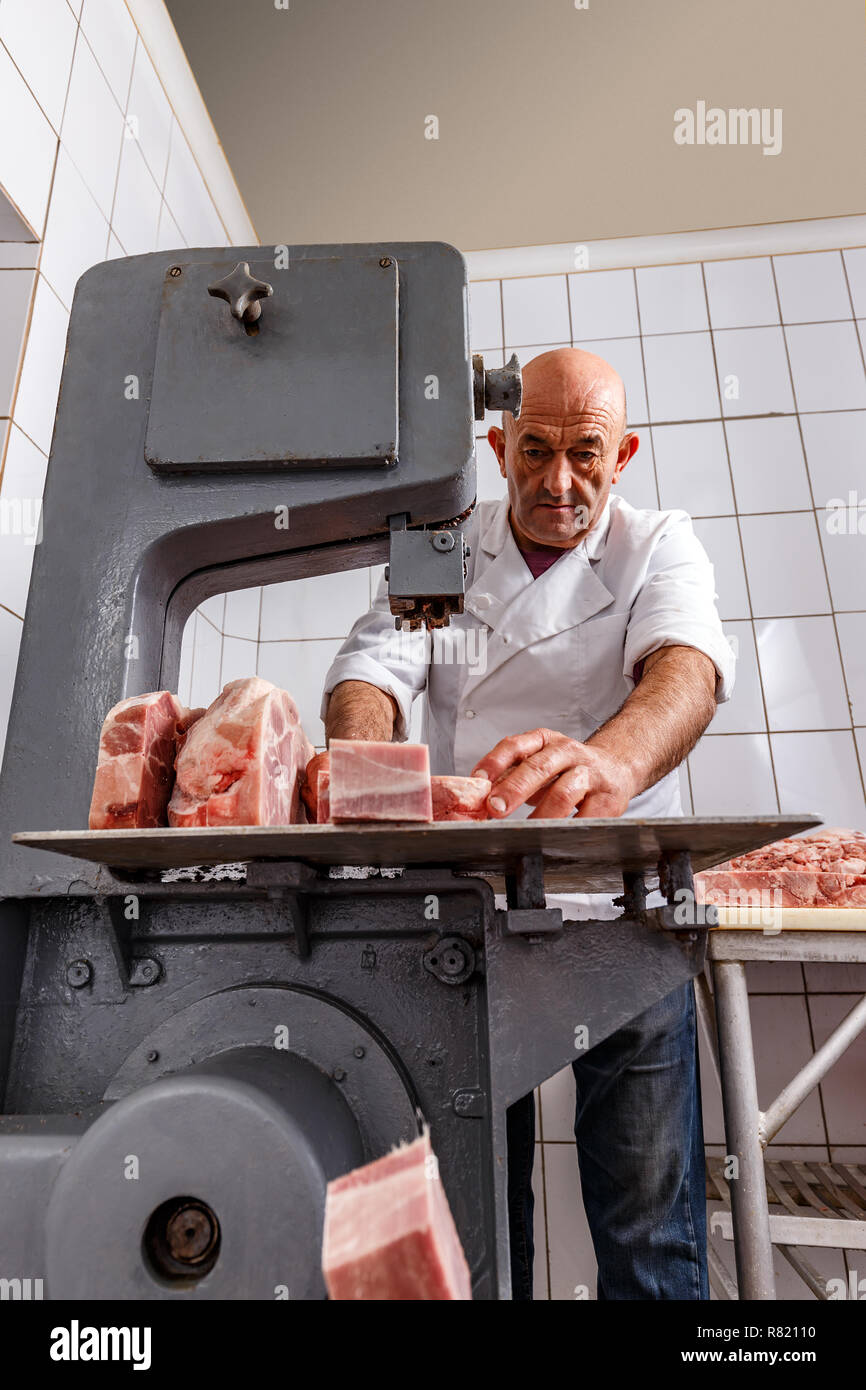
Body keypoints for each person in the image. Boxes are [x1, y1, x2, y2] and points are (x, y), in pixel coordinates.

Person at [305, 347, 736, 1299]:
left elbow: (687, 667)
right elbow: (375, 669)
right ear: (498, 446)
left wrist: (612, 762)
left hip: (621, 912)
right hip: (472, 911)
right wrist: (364, 770)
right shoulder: (447, 542)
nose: (558, 480)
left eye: (585, 454)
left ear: (622, 456)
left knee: (647, 1220)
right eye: (533, 451)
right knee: (478, 1208)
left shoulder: (658, 542)